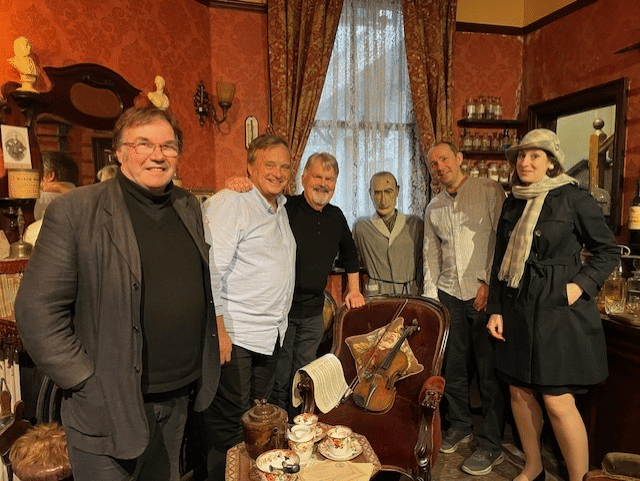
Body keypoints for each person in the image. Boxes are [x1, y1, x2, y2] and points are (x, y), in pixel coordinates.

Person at [14, 105, 220, 481]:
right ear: (120, 152)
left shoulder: (187, 205)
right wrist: (85, 380)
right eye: (143, 144)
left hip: (177, 399)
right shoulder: (76, 211)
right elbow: (35, 312)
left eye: (168, 146)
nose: (157, 155)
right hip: (107, 407)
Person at [487, 129, 619, 481]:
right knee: (519, 391)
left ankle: (579, 478)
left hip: (558, 309)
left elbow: (608, 251)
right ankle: (534, 466)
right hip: (517, 304)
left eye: (534, 156)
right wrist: (496, 308)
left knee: (558, 401)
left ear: (551, 163)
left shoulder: (574, 198)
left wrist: (579, 286)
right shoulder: (512, 201)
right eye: (521, 155)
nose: (525, 162)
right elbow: (500, 259)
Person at [200, 134, 296, 480]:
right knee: (230, 426)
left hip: (269, 335)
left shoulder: (281, 208)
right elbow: (211, 270)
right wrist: (220, 332)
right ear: (250, 166)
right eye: (269, 164)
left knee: (256, 423)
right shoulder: (232, 202)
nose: (277, 172)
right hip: (236, 334)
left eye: (284, 166)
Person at [423, 141, 506, 476]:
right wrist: (432, 298)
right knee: (453, 368)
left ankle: (491, 444)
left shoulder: (488, 191)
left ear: (459, 159)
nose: (440, 167)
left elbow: (500, 240)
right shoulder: (434, 207)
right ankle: (459, 425)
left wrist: (488, 282)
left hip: (481, 292)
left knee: (488, 372)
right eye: (433, 164)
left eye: (444, 159)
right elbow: (430, 254)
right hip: (448, 295)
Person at [270, 152, 364, 415]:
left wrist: (354, 289)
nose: (323, 183)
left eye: (329, 179)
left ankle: (299, 428)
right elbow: (258, 201)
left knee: (303, 377)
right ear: (303, 178)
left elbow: (350, 254)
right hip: (282, 313)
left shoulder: (336, 216)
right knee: (279, 378)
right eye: (318, 177)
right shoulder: (285, 206)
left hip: (314, 315)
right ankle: (278, 428)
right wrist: (241, 185)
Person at [352, 171, 423, 296]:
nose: (383, 200)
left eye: (388, 191)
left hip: (409, 294)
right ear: (370, 194)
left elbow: (425, 263)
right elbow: (353, 261)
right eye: (377, 193)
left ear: (397, 191)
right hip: (377, 295)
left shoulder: (415, 224)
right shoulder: (361, 227)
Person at [25, 151, 79, 246]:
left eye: (35, 176)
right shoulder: (85, 202)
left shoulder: (35, 230)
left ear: (49, 176)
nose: (30, 181)